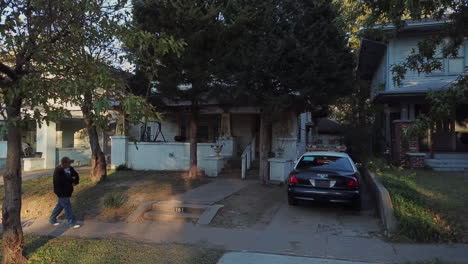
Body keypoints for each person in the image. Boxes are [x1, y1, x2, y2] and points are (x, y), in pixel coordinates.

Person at [49, 157, 81, 229]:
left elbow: (76, 176)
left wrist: (75, 182)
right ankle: (72, 223)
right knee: (67, 207)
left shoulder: (71, 169)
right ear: (63, 163)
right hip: (61, 191)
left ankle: (52, 219)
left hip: (68, 191)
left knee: (60, 206)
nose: (70, 164)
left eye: (70, 163)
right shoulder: (58, 171)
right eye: (68, 163)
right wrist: (71, 179)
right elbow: (62, 181)